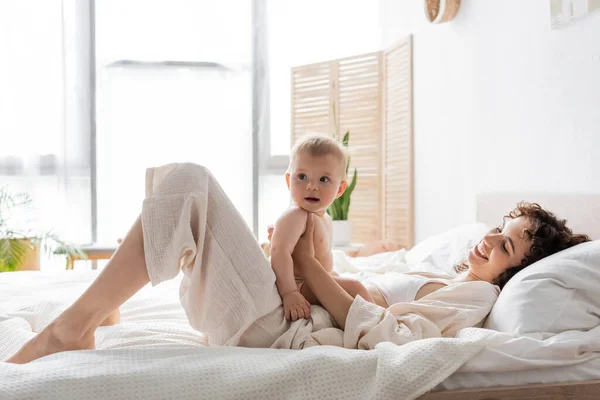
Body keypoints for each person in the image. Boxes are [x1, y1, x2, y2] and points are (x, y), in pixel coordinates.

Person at [5, 163, 589, 364]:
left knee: (190, 183)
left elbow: (393, 335)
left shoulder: (479, 299)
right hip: (289, 303)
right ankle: (99, 309)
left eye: (506, 247)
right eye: (496, 230)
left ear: (512, 275)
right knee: (186, 195)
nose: (489, 241)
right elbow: (375, 290)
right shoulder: (449, 275)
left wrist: (307, 268)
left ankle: (71, 328)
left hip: (285, 327)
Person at [269, 134, 373, 322]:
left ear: (340, 190)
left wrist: (331, 277)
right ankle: (376, 322)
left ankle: (376, 316)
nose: (311, 186)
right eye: (302, 177)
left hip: (315, 279)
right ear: (288, 181)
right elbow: (278, 252)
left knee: (348, 284)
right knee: (356, 288)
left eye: (323, 180)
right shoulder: (295, 215)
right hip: (298, 283)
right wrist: (290, 292)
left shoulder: (324, 218)